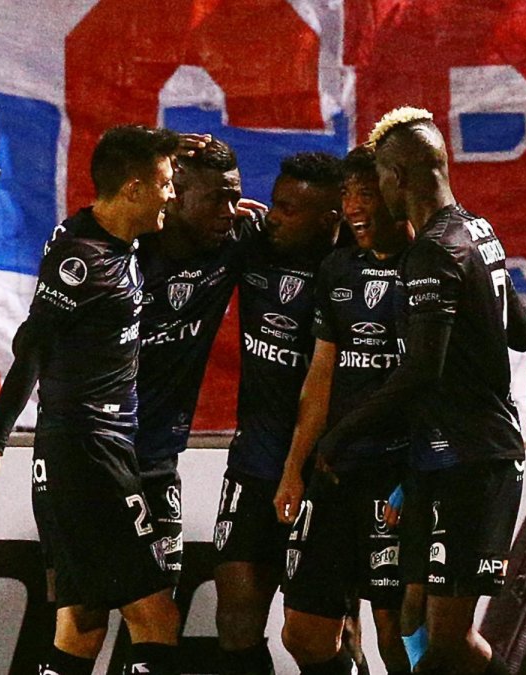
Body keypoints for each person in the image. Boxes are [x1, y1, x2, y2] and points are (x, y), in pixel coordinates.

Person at [313, 107, 526, 675]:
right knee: (413, 619)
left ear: (402, 177)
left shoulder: (433, 250)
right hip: (442, 458)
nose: (376, 191)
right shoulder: (477, 230)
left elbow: (420, 373)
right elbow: (521, 330)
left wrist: (339, 434)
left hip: (472, 460)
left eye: (381, 177)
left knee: (444, 646)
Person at [0, 124, 183, 675]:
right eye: (166, 183)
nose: (172, 194)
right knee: (156, 619)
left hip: (77, 453)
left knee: (82, 623)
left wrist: (174, 147)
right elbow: (32, 350)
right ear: (132, 189)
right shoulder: (82, 260)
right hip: (88, 454)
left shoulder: (94, 233)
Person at [273, 144, 413, 675]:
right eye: (349, 194)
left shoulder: (432, 262)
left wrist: (416, 478)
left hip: (399, 473)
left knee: (399, 636)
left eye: (368, 193)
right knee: (304, 633)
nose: (355, 206)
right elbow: (322, 374)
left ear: (397, 194)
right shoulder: (337, 269)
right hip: (334, 474)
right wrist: (293, 469)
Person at [212, 152, 352, 675]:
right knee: (236, 619)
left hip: (323, 472)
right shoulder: (251, 248)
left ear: (328, 220)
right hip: (254, 460)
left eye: (291, 210)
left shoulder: (353, 272)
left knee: (313, 638)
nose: (274, 215)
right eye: (277, 202)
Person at [134, 137, 256, 589]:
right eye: (216, 199)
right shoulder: (120, 248)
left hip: (158, 458)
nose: (229, 210)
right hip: (91, 454)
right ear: (175, 195)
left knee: (161, 601)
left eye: (234, 197)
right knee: (79, 615)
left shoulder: (238, 241)